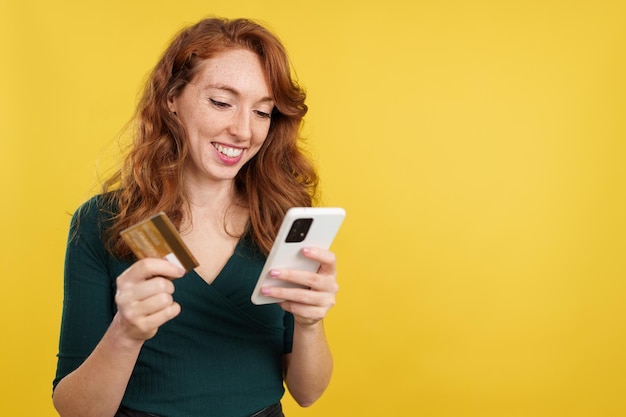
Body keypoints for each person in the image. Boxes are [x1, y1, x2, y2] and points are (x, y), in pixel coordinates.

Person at [52, 17, 338, 417]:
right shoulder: (103, 222)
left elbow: (307, 392)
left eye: (262, 112)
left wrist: (309, 324)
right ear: (172, 97)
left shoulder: (280, 221)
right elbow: (74, 410)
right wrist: (126, 333)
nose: (243, 130)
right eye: (221, 102)